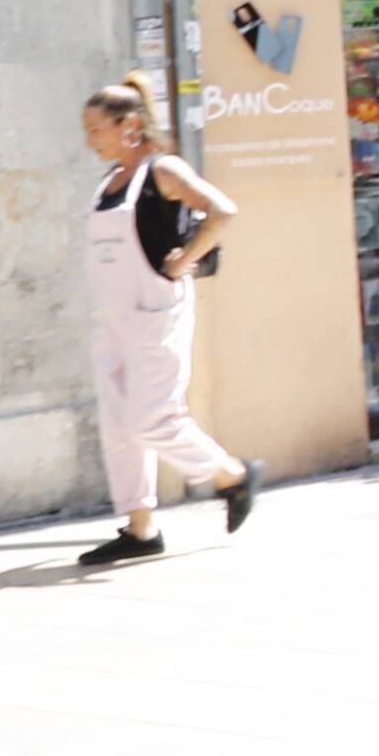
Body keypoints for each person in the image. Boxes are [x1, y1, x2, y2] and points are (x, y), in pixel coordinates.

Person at [76, 82, 258, 568]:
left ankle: (231, 475)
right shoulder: (110, 181)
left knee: (151, 420)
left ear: (129, 126)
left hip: (155, 314)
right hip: (112, 319)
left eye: (97, 129)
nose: (90, 139)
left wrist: (184, 260)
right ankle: (140, 528)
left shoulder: (163, 169)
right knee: (118, 426)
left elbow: (223, 210)